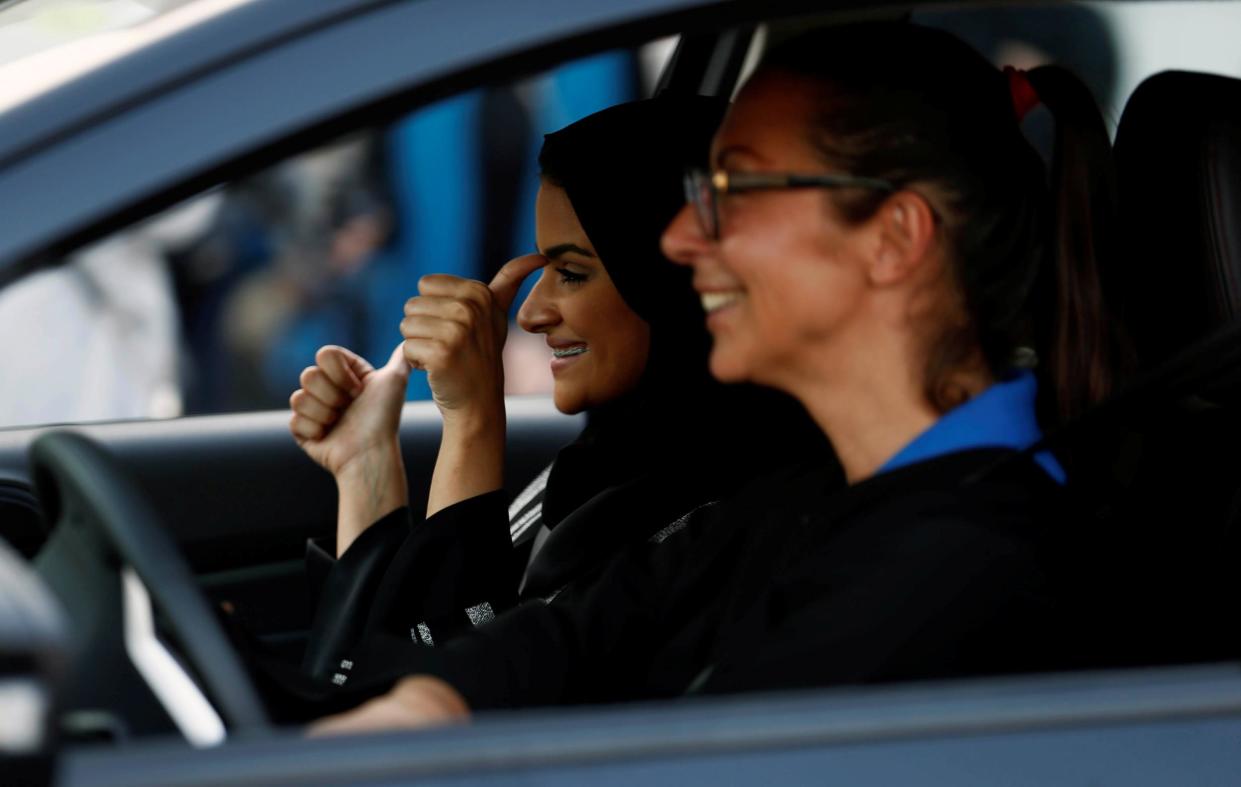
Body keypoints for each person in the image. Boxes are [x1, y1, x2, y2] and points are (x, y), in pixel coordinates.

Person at [301, 20, 1124, 732]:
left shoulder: (963, 569)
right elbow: (566, 638)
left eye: (737, 193)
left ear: (890, 238)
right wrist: (426, 702)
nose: (683, 241)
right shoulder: (802, 498)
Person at [286, 95, 831, 685]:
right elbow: (365, 679)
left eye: (571, 273)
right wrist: (367, 470)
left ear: (672, 280)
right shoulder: (612, 465)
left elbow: (442, 700)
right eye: (541, 268)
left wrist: (472, 422)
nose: (532, 312)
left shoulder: (723, 527)